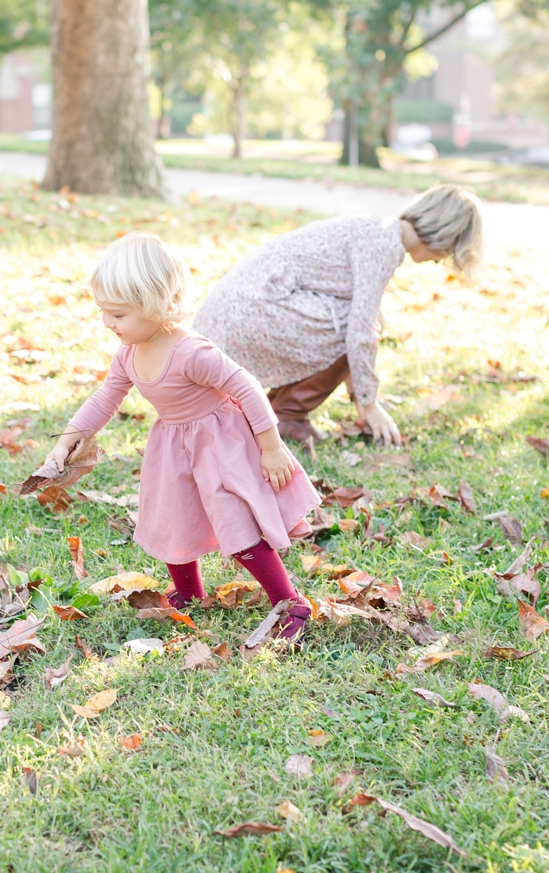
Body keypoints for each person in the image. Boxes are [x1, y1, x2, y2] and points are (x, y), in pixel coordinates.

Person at [42, 233, 322, 643]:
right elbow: (105, 398)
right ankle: (190, 591)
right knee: (174, 520)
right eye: (103, 312)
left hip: (220, 445)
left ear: (155, 304)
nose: (107, 323)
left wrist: (271, 448)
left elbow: (246, 388)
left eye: (117, 314)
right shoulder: (129, 354)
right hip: (174, 449)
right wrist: (68, 438)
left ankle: (289, 601)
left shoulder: (192, 352)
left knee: (237, 525)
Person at [193, 184, 483, 446]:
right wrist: (369, 404)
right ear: (446, 237)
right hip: (251, 309)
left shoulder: (377, 230)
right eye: (449, 252)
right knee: (361, 323)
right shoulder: (384, 244)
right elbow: (360, 331)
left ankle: (277, 410)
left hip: (239, 308)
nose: (440, 261)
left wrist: (360, 393)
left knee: (366, 317)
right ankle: (288, 414)